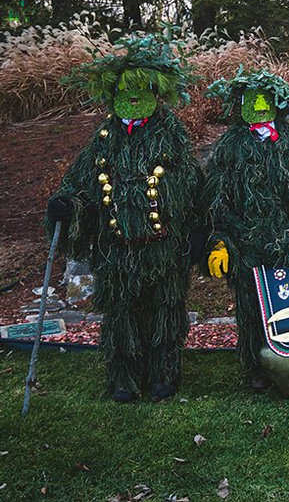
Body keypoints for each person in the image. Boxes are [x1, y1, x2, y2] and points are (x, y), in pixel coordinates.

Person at [45, 35, 202, 402]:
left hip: (163, 247)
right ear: (112, 96)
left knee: (165, 309)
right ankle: (124, 377)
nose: (132, 98)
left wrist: (198, 231)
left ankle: (164, 372)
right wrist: (67, 206)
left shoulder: (171, 136)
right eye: (124, 91)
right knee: (120, 314)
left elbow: (193, 186)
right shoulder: (103, 139)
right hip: (116, 250)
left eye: (141, 90)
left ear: (155, 92)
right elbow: (80, 184)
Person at [203, 69, 289, 397]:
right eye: (253, 100)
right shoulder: (229, 147)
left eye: (267, 99)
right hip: (246, 238)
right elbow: (216, 201)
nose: (261, 105)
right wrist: (221, 242)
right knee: (251, 305)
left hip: (288, 237)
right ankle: (259, 366)